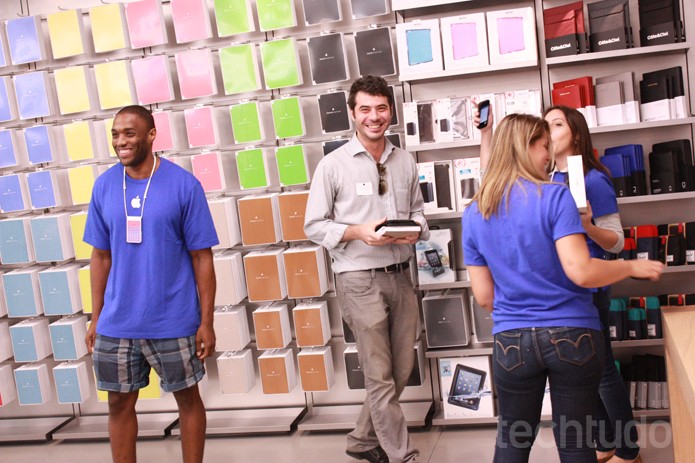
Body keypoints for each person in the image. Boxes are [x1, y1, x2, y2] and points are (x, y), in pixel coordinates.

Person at [462, 113, 663, 463]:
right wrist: (631, 265)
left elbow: (484, 297)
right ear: (526, 149)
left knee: (512, 440)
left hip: (511, 340)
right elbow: (581, 272)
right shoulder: (555, 197)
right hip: (573, 335)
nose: (547, 156)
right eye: (543, 147)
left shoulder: (475, 212)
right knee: (575, 443)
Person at [304, 75, 429, 463]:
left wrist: (416, 232)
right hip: (357, 278)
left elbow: (419, 213)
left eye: (380, 108)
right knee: (379, 374)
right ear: (352, 113)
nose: (374, 117)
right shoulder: (332, 165)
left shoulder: (405, 160)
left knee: (402, 369)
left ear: (390, 110)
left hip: (400, 276)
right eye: (365, 109)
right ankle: (401, 455)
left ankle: (361, 440)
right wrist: (359, 231)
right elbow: (313, 225)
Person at [84, 105, 218, 463]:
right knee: (117, 403)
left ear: (151, 135)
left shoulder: (183, 184)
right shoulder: (104, 186)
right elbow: (100, 257)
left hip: (173, 319)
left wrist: (207, 321)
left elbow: (202, 257)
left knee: (188, 399)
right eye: (115, 134)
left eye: (129, 133)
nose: (120, 141)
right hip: (117, 321)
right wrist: (96, 318)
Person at [543, 105, 640, 463]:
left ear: (577, 134)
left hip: (590, 292)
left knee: (602, 373)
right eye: (546, 125)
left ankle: (629, 452)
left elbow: (617, 242)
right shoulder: (547, 179)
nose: (548, 130)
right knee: (582, 374)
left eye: (557, 124)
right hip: (559, 294)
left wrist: (586, 226)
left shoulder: (594, 180)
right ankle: (605, 443)